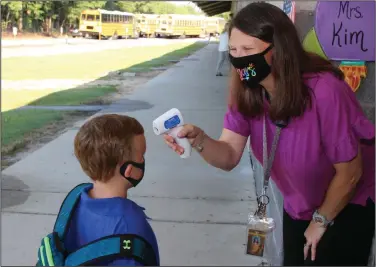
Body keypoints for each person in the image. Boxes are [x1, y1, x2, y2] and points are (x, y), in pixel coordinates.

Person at [164, 2, 375, 266]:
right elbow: (229, 155)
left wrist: (321, 221)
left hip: (344, 205)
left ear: (278, 49)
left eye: (248, 50)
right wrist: (200, 140)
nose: (240, 60)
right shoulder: (246, 90)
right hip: (298, 206)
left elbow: (350, 172)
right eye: (233, 51)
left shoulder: (325, 92)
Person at [65, 114, 159, 265]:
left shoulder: (74, 202)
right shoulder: (130, 227)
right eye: (142, 156)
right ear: (128, 170)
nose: (143, 161)